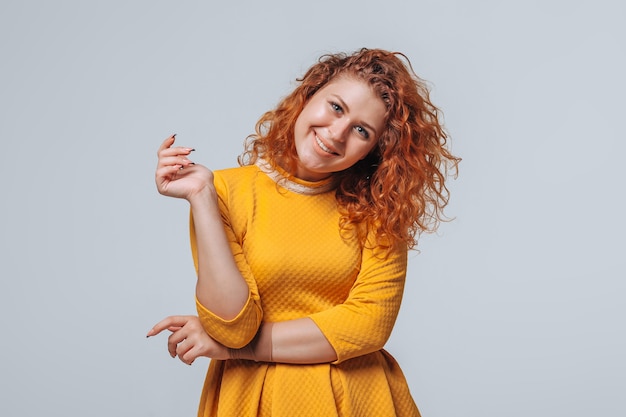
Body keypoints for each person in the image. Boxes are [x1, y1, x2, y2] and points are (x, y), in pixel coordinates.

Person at [146, 48, 460, 417]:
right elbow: (233, 326)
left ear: (374, 150)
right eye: (336, 107)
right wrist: (200, 196)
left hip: (357, 399)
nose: (338, 133)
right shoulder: (222, 192)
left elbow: (368, 326)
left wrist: (234, 351)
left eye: (362, 131)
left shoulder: (380, 211)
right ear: (309, 95)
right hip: (252, 399)